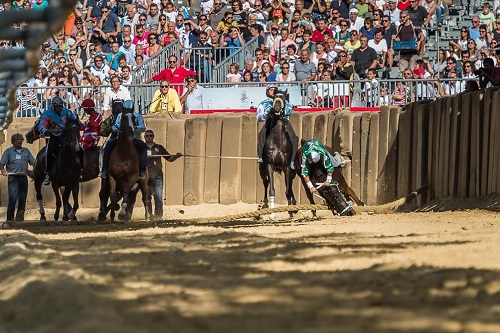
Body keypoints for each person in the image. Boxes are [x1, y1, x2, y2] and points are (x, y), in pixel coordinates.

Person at [101, 99, 148, 179]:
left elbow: (143, 128)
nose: (127, 111)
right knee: (108, 144)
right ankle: (104, 169)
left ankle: (142, 170)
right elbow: (115, 127)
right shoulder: (120, 115)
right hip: (121, 139)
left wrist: (134, 128)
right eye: (126, 110)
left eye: (129, 110)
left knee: (143, 146)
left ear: (133, 109)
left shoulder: (138, 116)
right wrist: (118, 127)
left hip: (134, 138)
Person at [38, 96, 79, 185]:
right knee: (49, 151)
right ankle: (48, 172)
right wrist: (51, 131)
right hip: (54, 136)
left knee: (78, 149)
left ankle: (79, 170)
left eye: (60, 106)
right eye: (57, 106)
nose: (59, 108)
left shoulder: (66, 112)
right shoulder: (47, 114)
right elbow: (41, 127)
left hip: (66, 136)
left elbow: (74, 118)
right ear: (53, 106)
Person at [256, 85, 298, 168]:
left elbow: (289, 110)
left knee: (294, 138)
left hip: (283, 122)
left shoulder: (284, 101)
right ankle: (261, 157)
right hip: (270, 121)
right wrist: (266, 114)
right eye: (270, 90)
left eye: (274, 90)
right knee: (261, 135)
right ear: (267, 92)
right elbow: (259, 116)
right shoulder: (263, 103)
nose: (272, 91)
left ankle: (292, 160)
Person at [144, 129, 182, 220]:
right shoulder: (141, 148)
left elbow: (169, 158)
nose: (149, 137)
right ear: (144, 137)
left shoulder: (159, 148)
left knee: (158, 197)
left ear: (153, 137)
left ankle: (158, 216)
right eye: (147, 135)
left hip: (157, 176)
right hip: (145, 177)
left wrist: (176, 156)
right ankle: (149, 215)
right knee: (147, 197)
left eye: (151, 135)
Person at [0, 133, 35, 222]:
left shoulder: (26, 151)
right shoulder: (8, 151)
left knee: (22, 200)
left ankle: (20, 219)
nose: (20, 141)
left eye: (21, 140)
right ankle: (10, 219)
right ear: (13, 141)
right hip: (13, 178)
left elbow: (34, 162)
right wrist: (3, 171)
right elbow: (1, 163)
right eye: (18, 139)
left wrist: (34, 171)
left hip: (23, 178)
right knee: (13, 198)